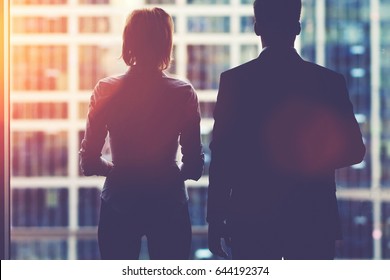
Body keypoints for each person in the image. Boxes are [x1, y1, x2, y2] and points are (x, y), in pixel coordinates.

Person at [207, 0, 366, 260]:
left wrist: (215, 218)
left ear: (257, 28)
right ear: (298, 27)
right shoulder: (328, 82)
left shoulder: (235, 82)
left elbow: (223, 156)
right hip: (312, 217)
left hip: (251, 218)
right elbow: (354, 150)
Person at [79, 7, 204, 260]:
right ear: (166, 44)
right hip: (169, 204)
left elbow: (89, 162)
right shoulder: (183, 93)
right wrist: (168, 174)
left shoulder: (106, 90)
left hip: (119, 200)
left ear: (129, 42)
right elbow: (193, 167)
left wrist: (116, 170)